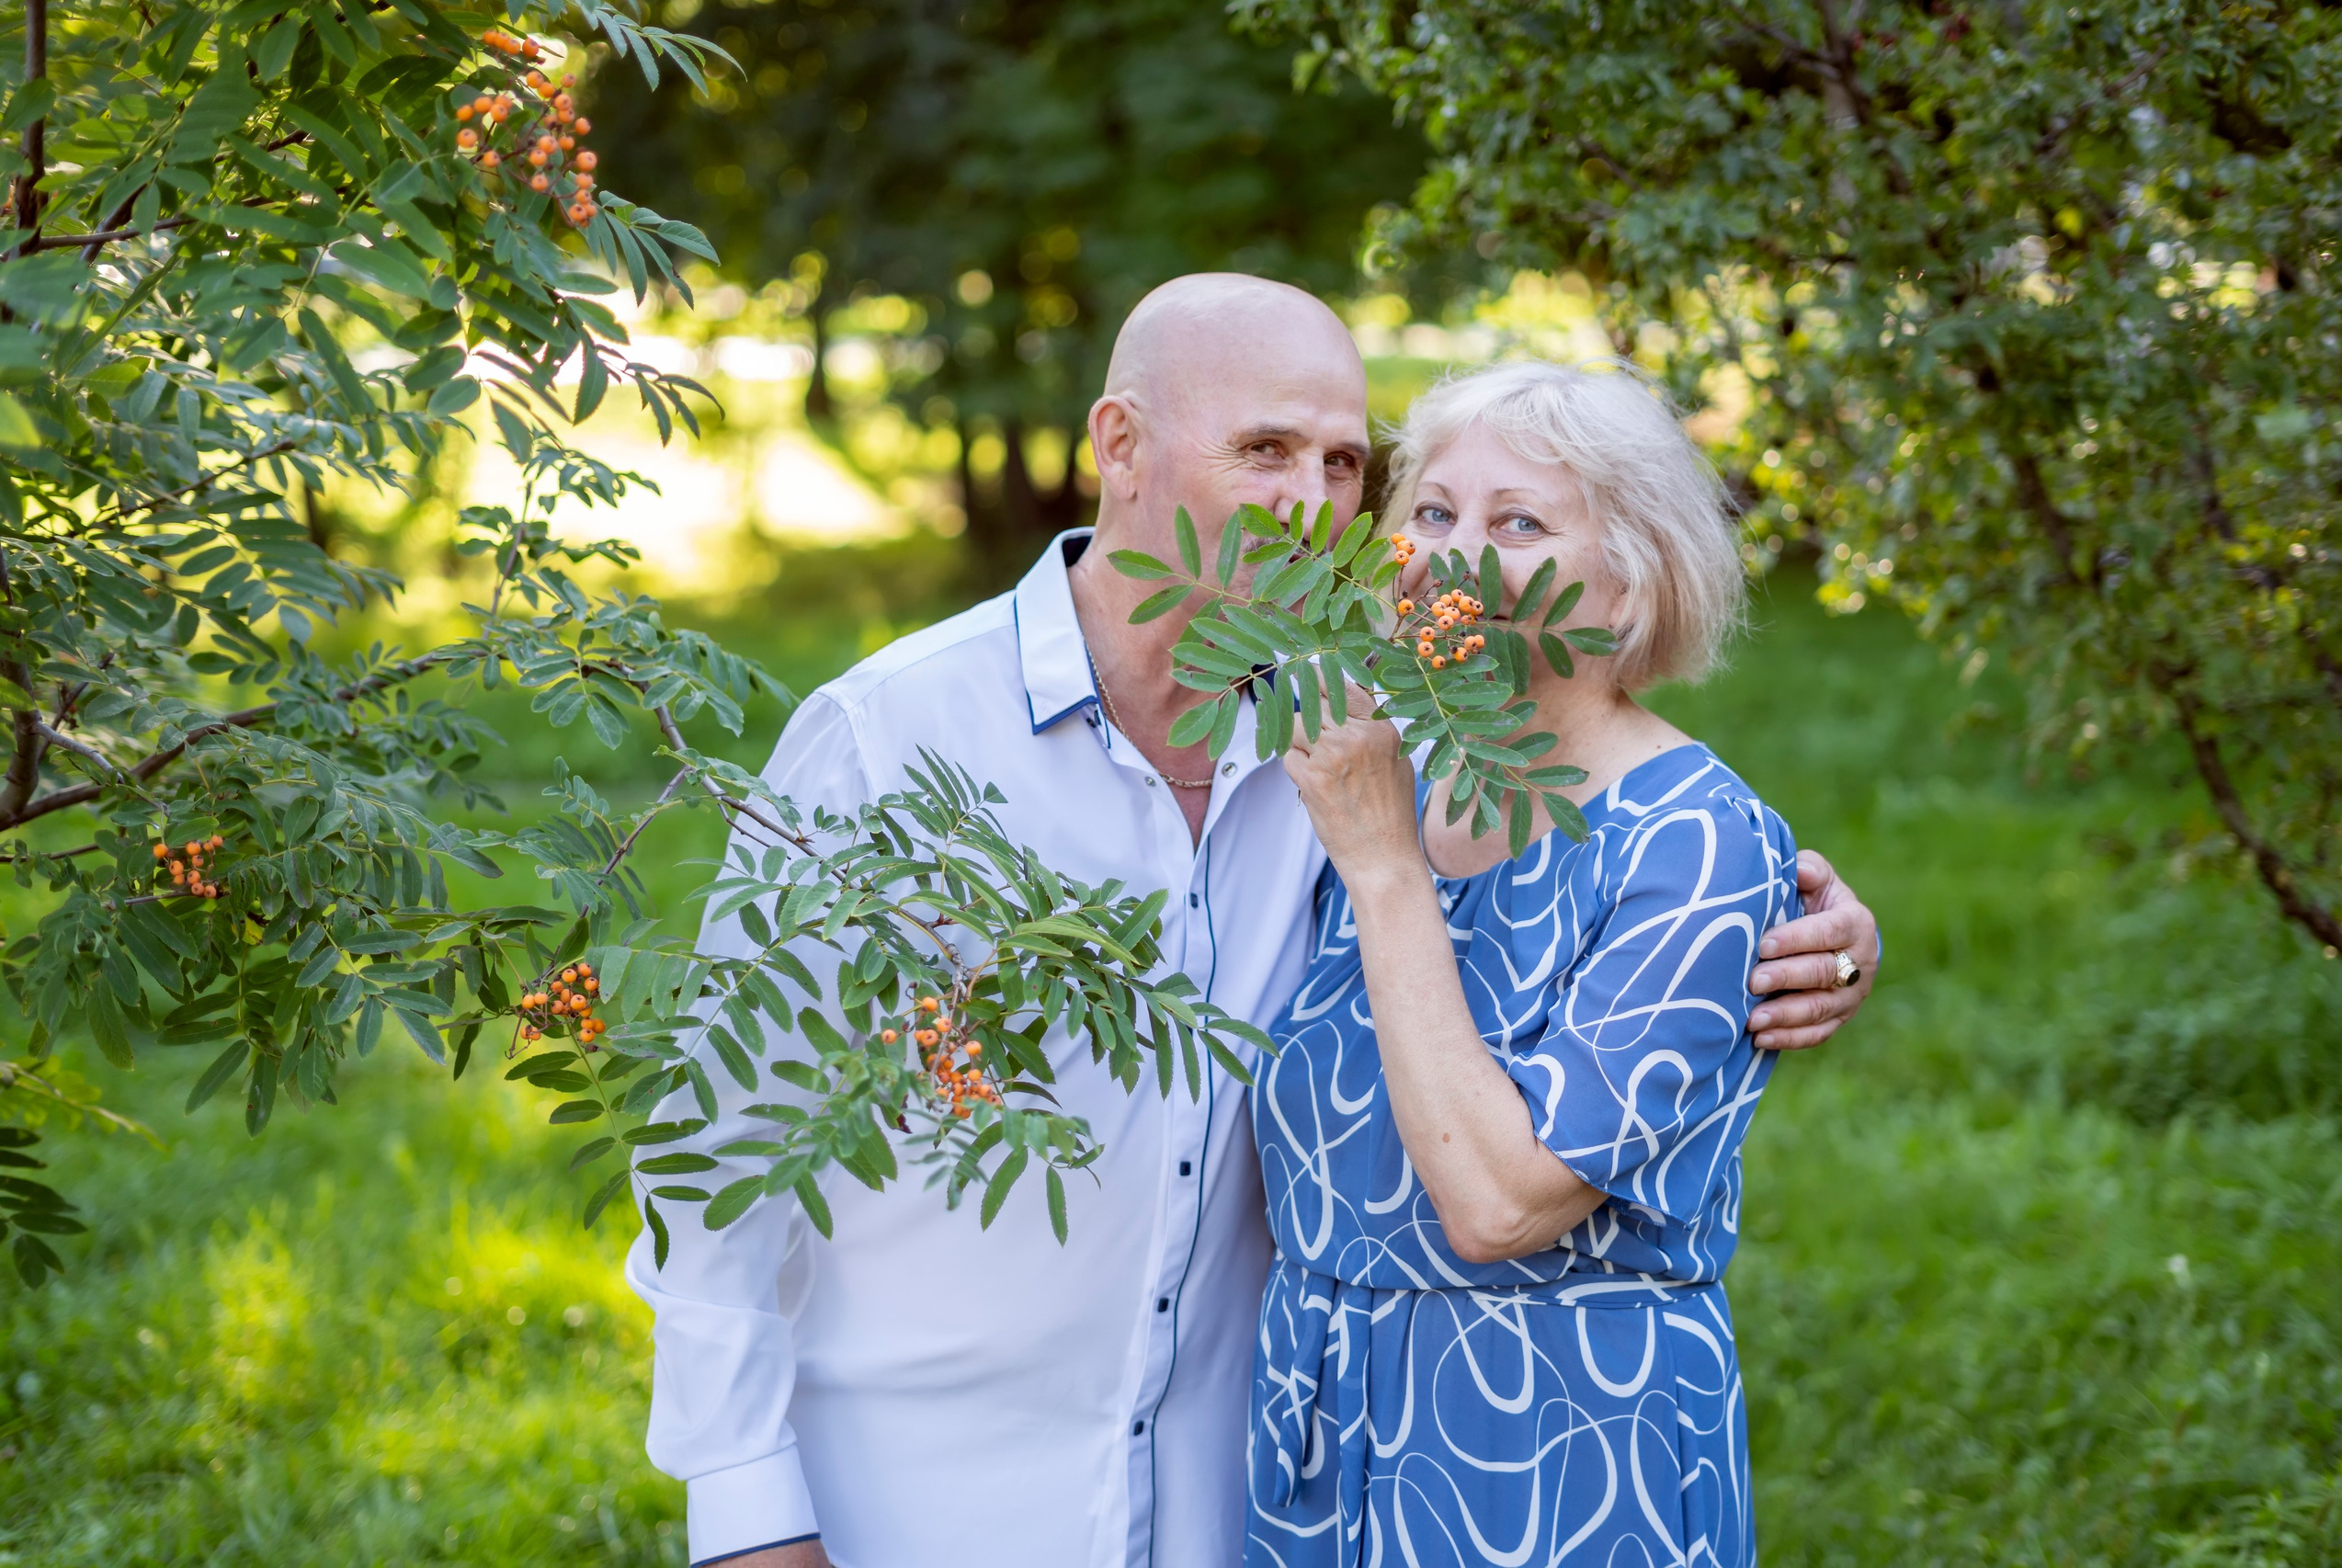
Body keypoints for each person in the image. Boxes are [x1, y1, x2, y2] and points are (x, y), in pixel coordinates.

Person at [628, 278, 1880, 1568]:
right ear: (1120, 446)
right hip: (931, 1494)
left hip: (1275, 1494)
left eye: (1342, 463)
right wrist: (748, 1517)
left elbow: (1636, 841)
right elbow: (717, 1150)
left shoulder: (1360, 748)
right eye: (1265, 450)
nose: (1311, 501)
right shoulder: (889, 740)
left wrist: (1819, 930)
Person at [1253, 358, 1800, 1565]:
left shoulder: (1694, 841)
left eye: (1518, 524)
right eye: (1434, 512)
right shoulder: (1374, 764)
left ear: (1631, 579)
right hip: (1324, 1438)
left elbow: (1501, 1203)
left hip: (1559, 1446)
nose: (1454, 558)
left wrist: (1385, 867)